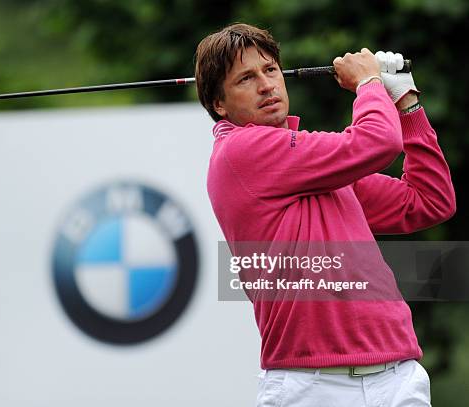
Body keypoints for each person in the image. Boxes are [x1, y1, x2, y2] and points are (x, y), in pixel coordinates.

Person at [195, 23, 455, 406]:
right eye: (246, 79)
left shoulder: (312, 165)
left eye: (270, 70)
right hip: (312, 385)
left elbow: (429, 200)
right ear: (219, 104)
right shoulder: (241, 151)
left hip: (398, 374)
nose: (267, 85)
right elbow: (377, 141)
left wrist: (408, 105)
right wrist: (368, 84)